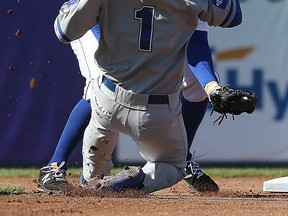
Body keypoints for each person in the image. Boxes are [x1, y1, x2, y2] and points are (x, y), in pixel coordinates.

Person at [46, 0, 242, 194]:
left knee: (196, 86)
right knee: (96, 82)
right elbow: (233, 16)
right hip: (97, 23)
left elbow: (196, 43)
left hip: (122, 34)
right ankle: (54, 166)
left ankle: (184, 156)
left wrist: (212, 87)